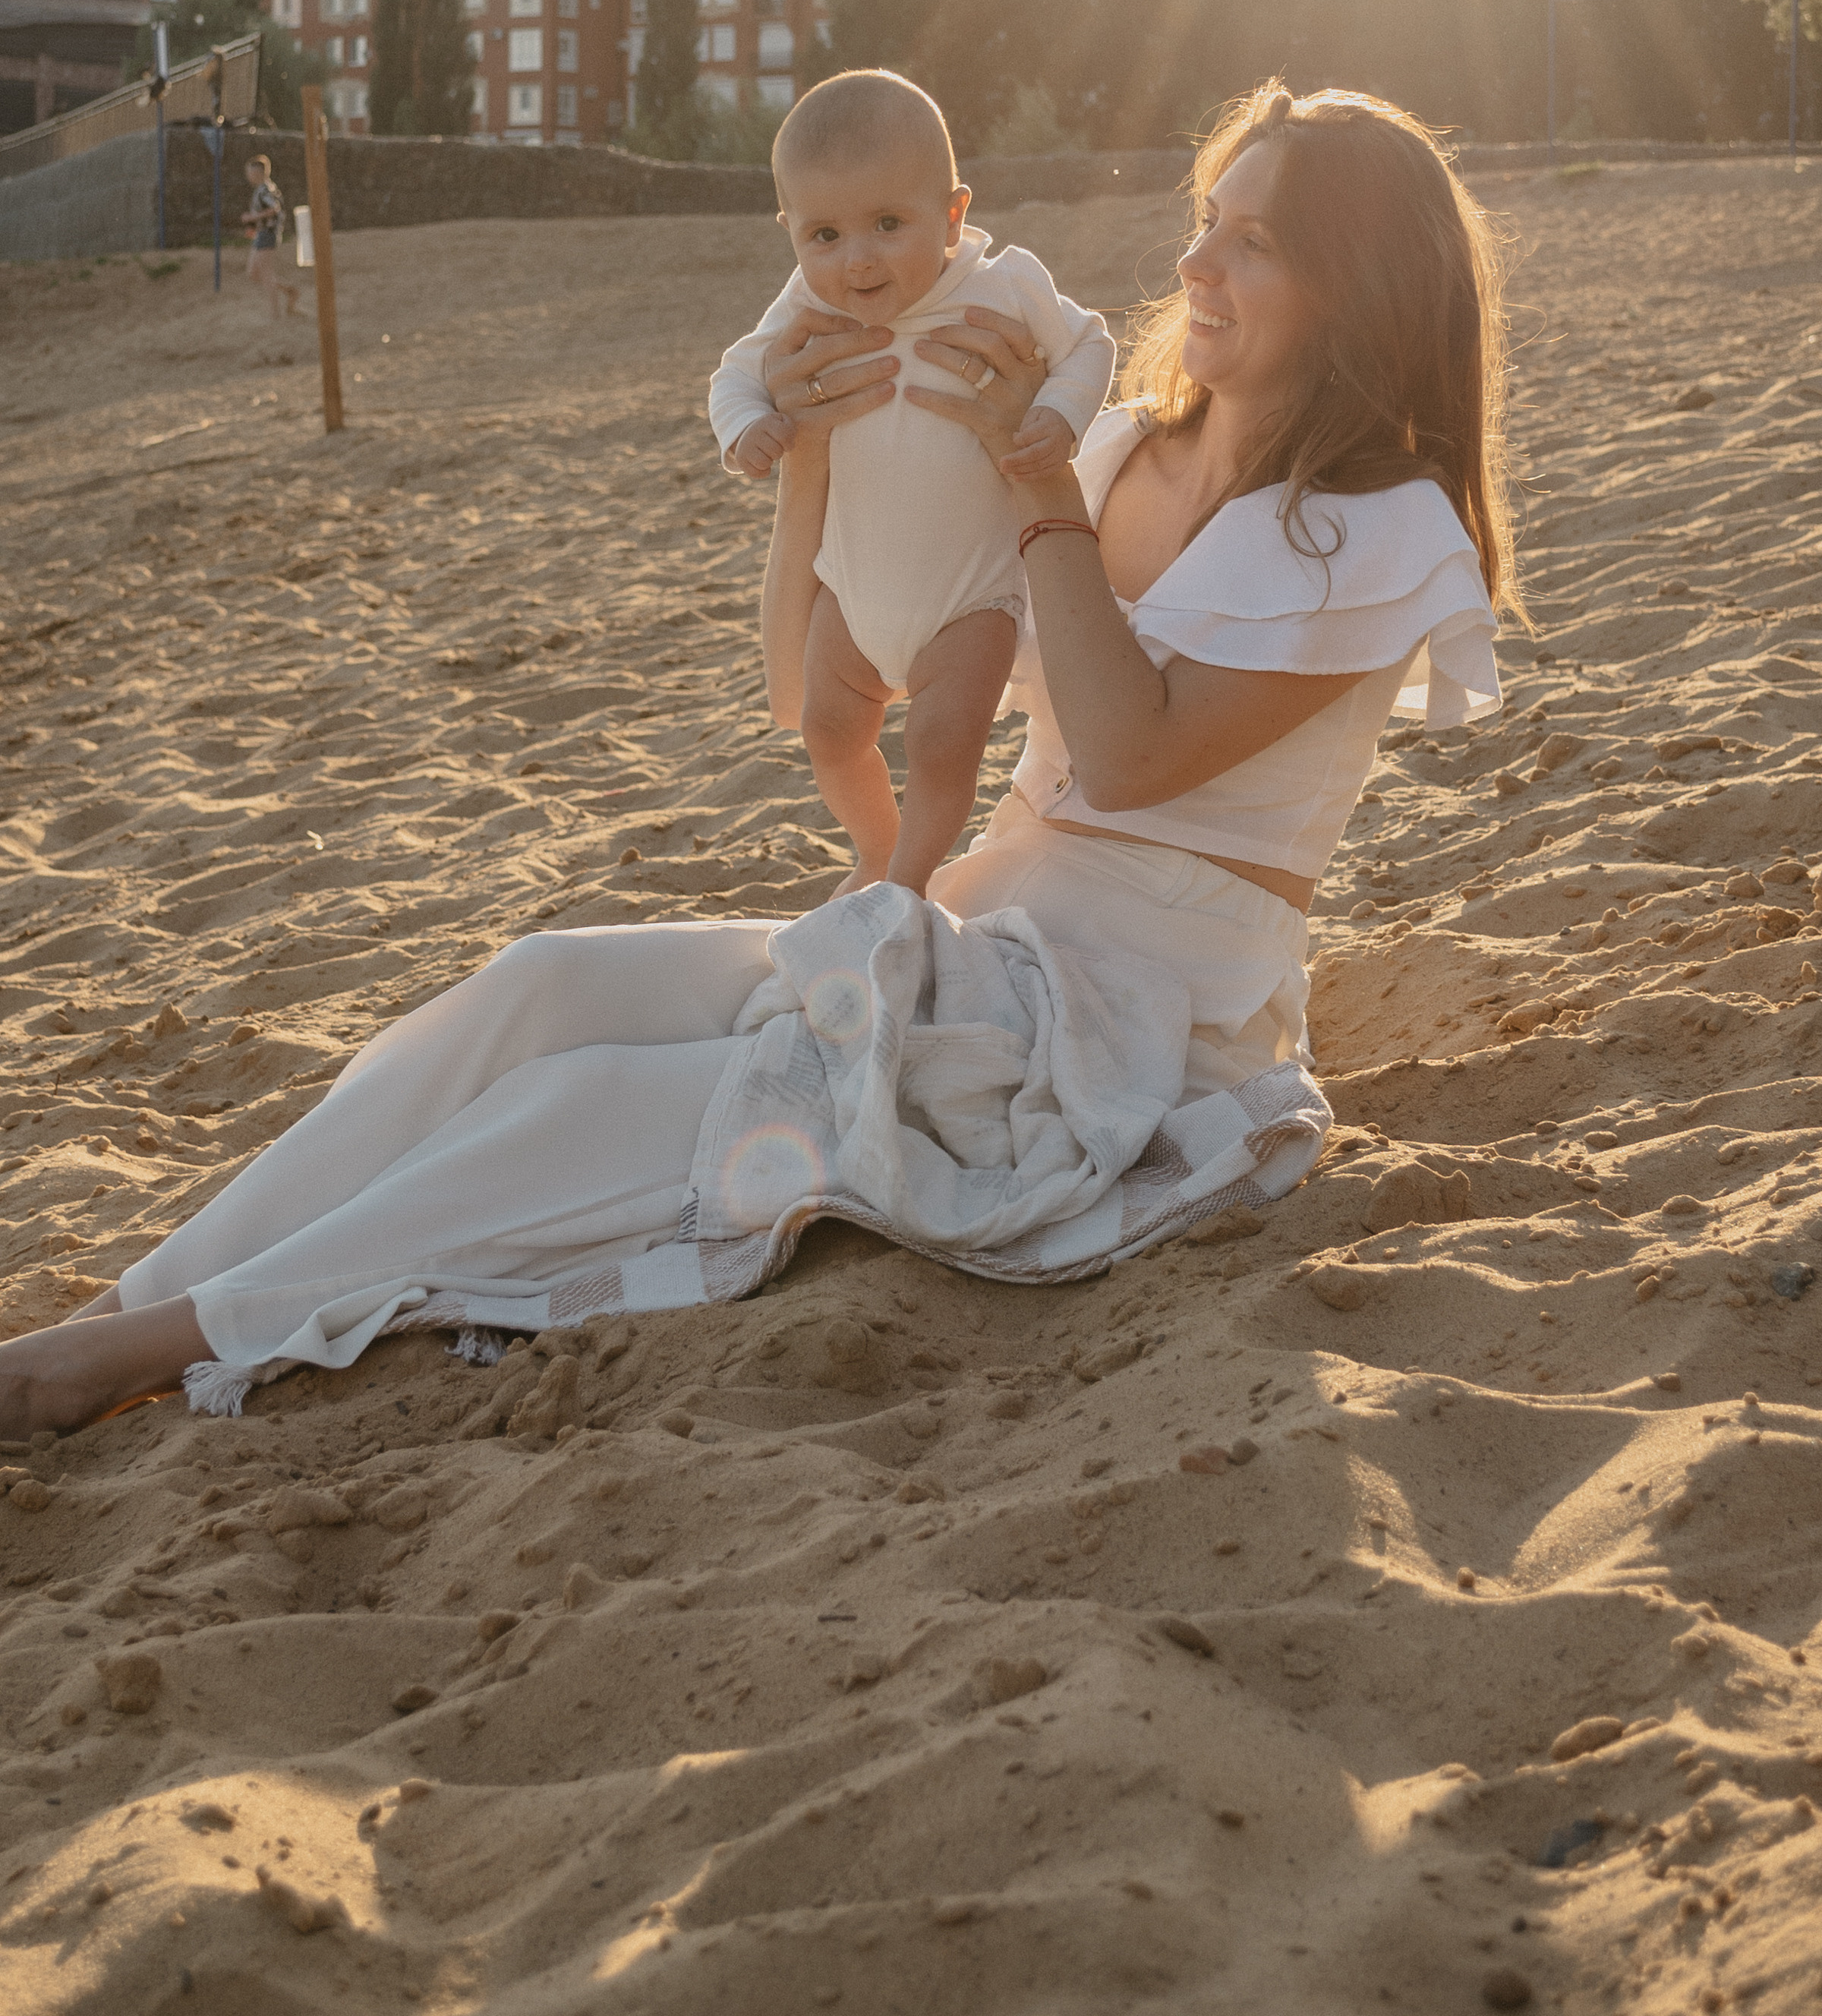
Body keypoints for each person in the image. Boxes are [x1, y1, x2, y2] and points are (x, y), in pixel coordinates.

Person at [0, 79, 1513, 1443]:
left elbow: (1124, 758)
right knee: (546, 987)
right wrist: (803, 462)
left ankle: (152, 1352)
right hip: (980, 920)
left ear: (1356, 281)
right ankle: (125, 1307)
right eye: (1205, 223)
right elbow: (806, 684)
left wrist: (1032, 471)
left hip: (1134, 1015)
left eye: (1249, 243)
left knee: (595, 1108)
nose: (1194, 268)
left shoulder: (1370, 527)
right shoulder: (1122, 448)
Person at [710, 71, 1115, 893]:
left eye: (888, 225)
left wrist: (1062, 415)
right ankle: (874, 846)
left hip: (968, 601)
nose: (856, 260)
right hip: (850, 592)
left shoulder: (1004, 287)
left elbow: (1091, 344)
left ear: (954, 214)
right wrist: (747, 430)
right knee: (828, 731)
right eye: (822, 235)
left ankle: (913, 875)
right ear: (789, 232)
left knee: (943, 741)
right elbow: (735, 374)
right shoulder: (803, 308)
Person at [241, 156, 300, 319]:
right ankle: (290, 291)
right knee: (254, 273)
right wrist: (253, 226)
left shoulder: (265, 190)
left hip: (267, 235)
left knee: (266, 274)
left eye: (250, 172)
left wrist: (251, 219)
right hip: (262, 233)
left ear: (257, 173)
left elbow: (274, 209)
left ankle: (276, 314)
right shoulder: (263, 188)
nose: (248, 176)